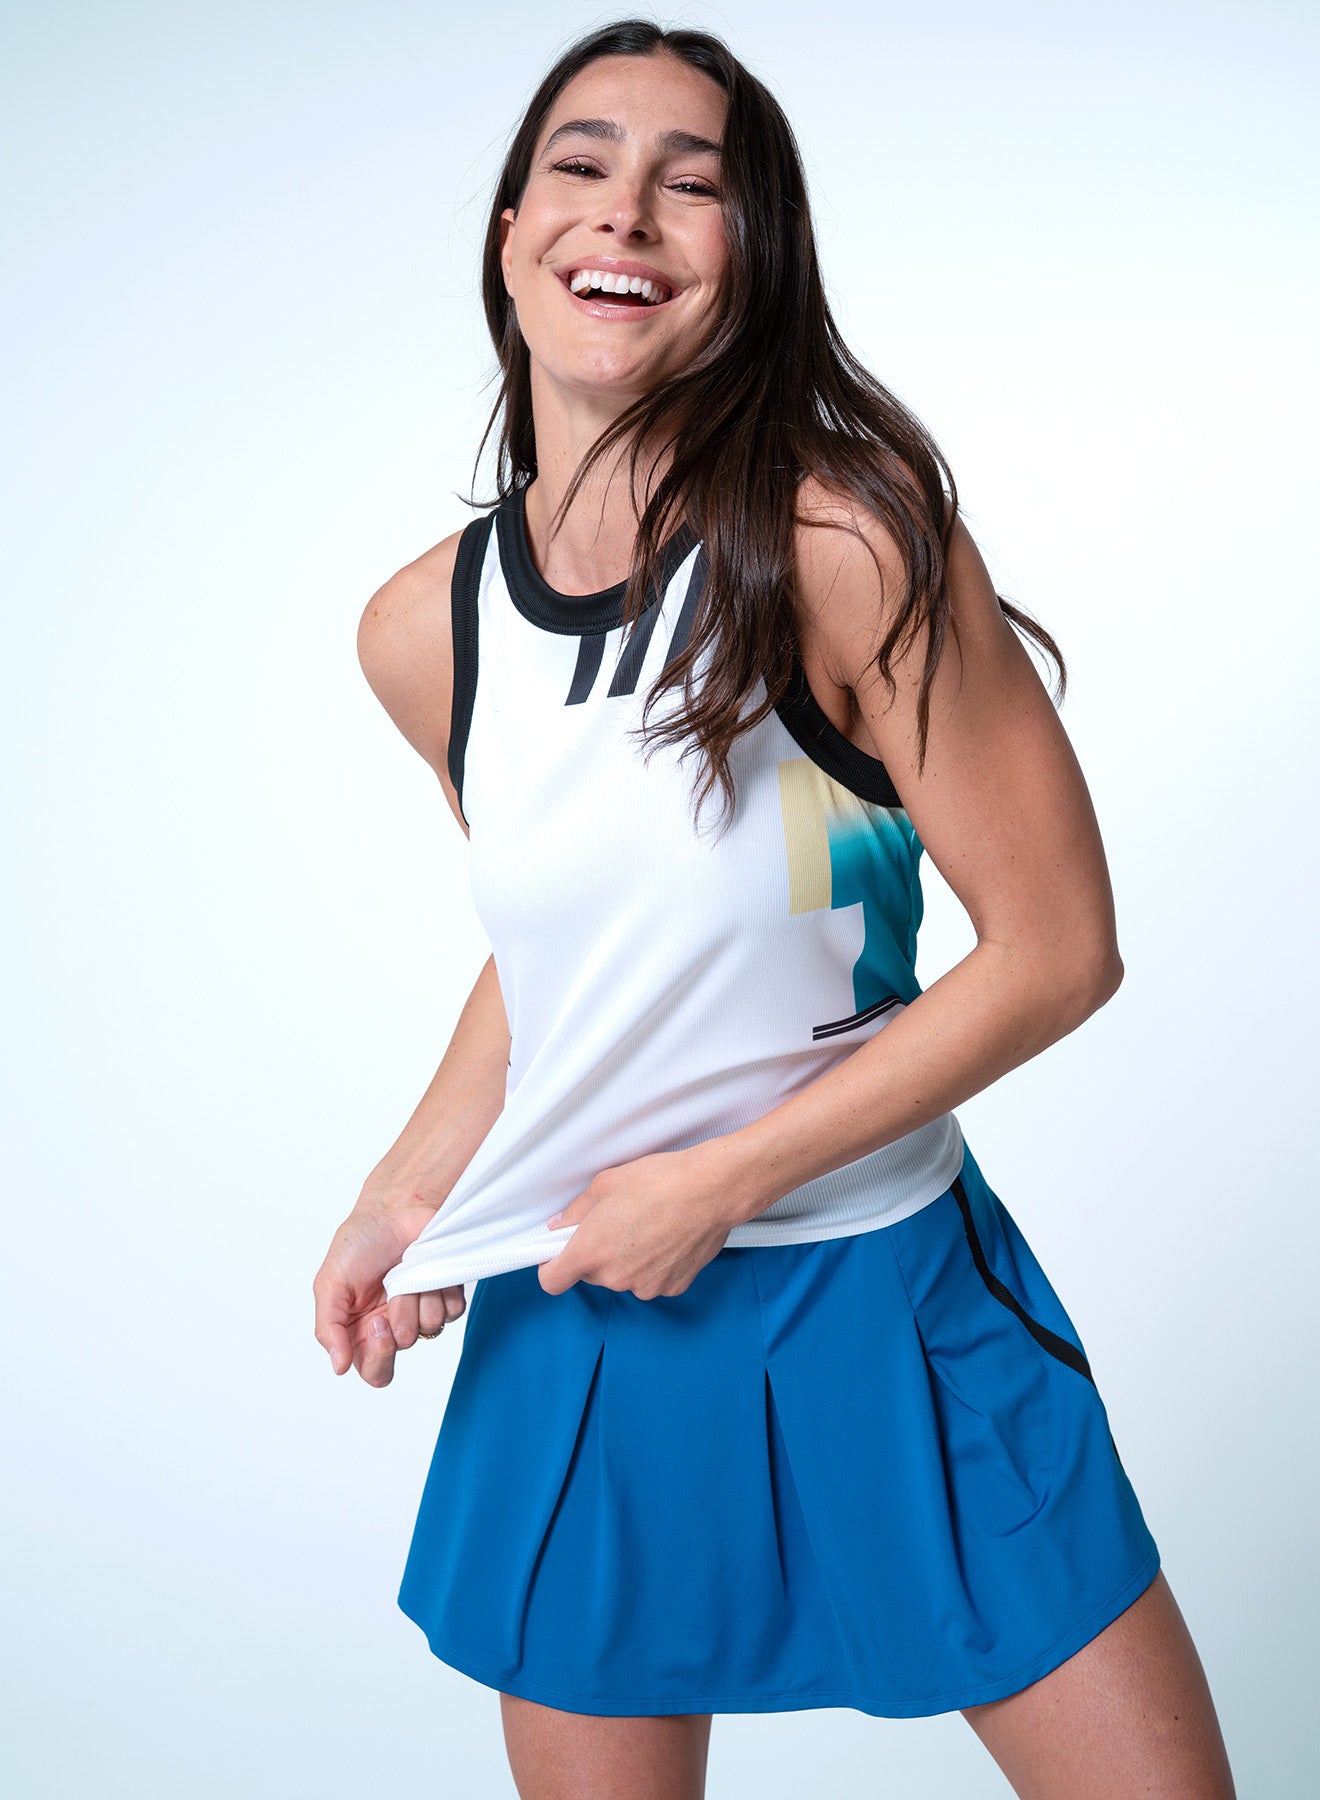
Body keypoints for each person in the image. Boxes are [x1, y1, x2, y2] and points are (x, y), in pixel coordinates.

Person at [313, 19, 1236, 1799]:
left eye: (694, 183)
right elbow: (570, 957)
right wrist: (409, 1184)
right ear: (511, 231)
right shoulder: (426, 631)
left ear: (756, 257)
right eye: (582, 165)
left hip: (884, 1294)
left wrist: (720, 1184)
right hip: (584, 1315)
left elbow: (1060, 951)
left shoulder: (848, 547)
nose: (626, 213)